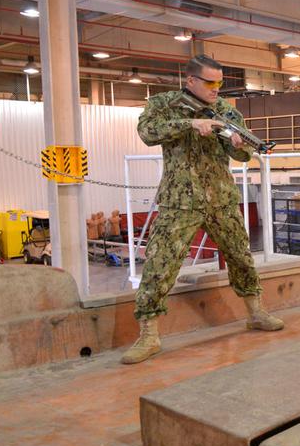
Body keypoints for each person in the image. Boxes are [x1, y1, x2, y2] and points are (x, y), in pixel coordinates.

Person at [121, 55, 284, 364]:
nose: (216, 89)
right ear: (191, 81)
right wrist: (190, 124)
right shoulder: (163, 104)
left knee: (241, 257)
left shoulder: (226, 111)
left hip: (220, 198)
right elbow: (148, 133)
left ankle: (256, 313)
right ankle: (149, 336)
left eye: (220, 83)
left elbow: (243, 155)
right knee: (159, 265)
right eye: (210, 83)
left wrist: (238, 143)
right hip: (179, 201)